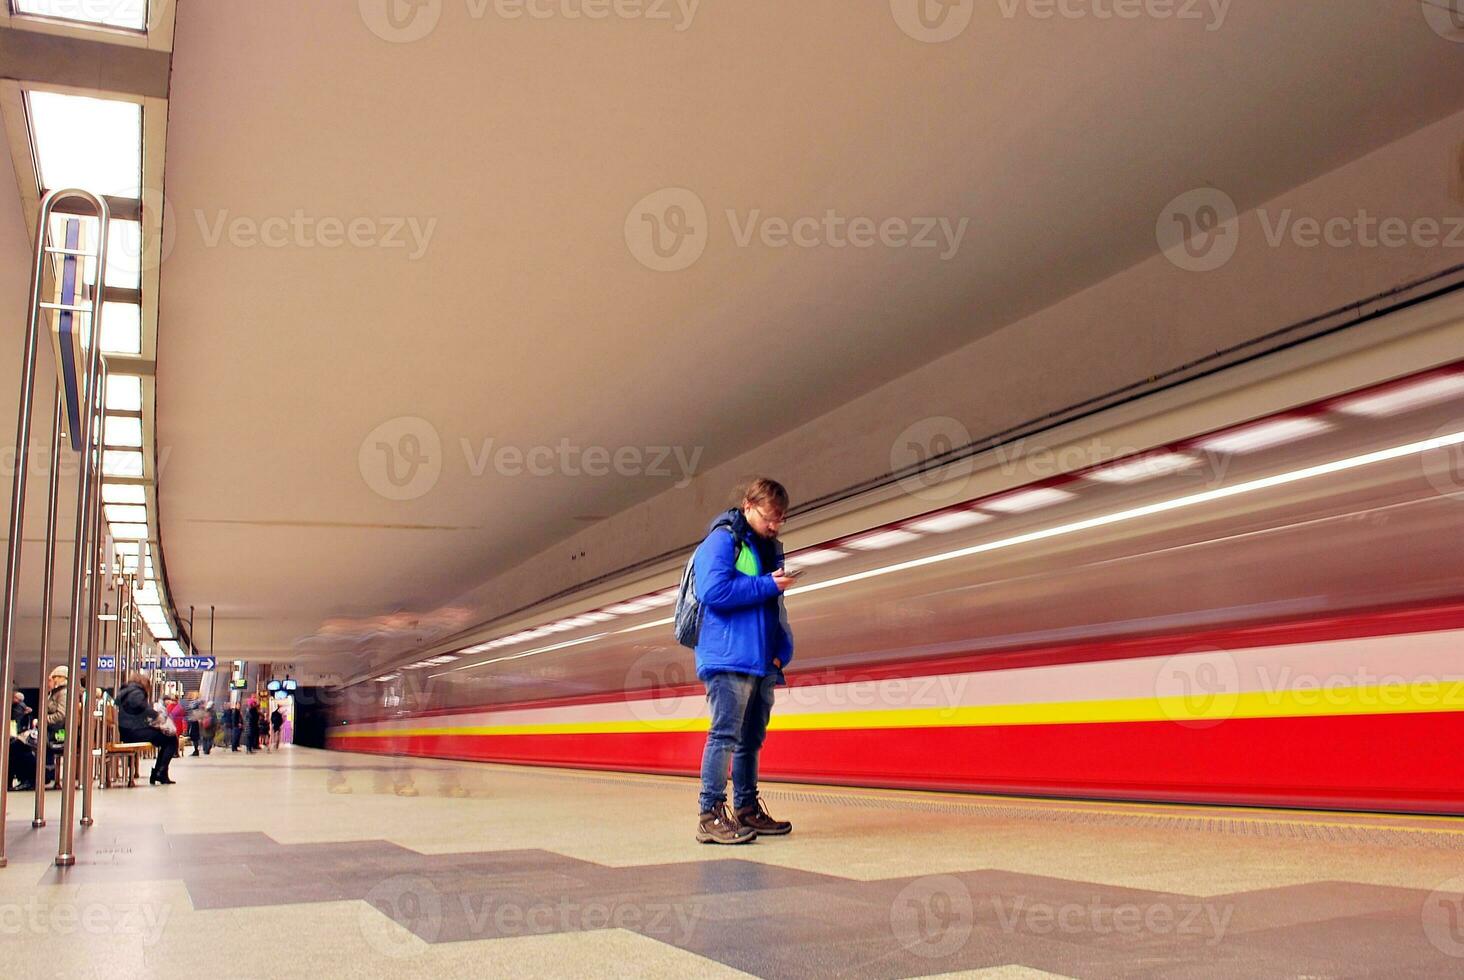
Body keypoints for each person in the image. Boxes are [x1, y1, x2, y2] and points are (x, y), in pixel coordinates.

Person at [691, 477, 797, 844]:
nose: (775, 525)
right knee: (724, 735)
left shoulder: (765, 548)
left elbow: (770, 606)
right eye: (770, 517)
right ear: (748, 505)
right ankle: (709, 814)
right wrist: (767, 584)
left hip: (761, 660)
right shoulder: (723, 540)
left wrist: (782, 650)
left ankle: (747, 809)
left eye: (781, 520)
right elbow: (713, 590)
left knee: (750, 740)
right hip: (728, 657)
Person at [115, 673, 177, 785]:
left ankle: (159, 772)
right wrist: (156, 716)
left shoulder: (127, 691)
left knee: (167, 739)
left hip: (128, 731)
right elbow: (141, 706)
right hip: (134, 732)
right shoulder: (136, 692)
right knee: (171, 739)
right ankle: (160, 773)